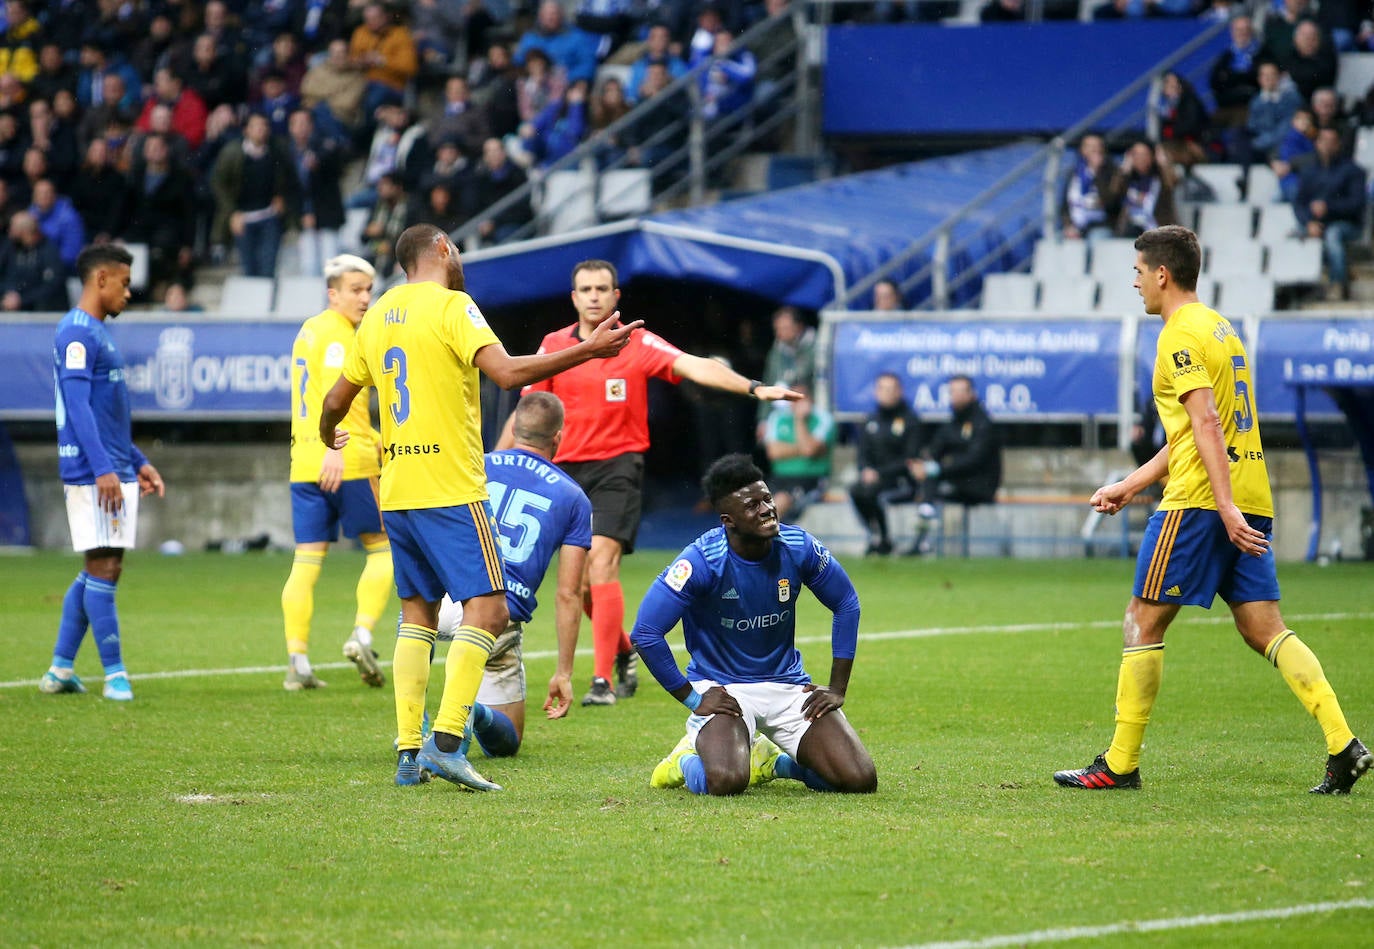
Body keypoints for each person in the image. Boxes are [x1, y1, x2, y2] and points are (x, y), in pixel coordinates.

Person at [319, 224, 642, 790]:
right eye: (457, 247)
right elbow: (508, 373)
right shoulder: (452, 305)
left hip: (397, 487)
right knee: (489, 612)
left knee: (417, 615)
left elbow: (334, 401)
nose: (461, 256)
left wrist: (329, 435)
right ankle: (446, 741)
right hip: (449, 484)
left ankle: (408, 753)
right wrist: (586, 350)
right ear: (442, 250)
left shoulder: (377, 316)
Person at [1054, 224, 1371, 795]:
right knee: (1264, 628)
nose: (1135, 285)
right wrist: (1131, 484)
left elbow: (1206, 424)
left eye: (1136, 274)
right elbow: (1189, 433)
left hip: (1202, 505)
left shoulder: (1178, 336)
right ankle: (1343, 744)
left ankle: (1120, 764)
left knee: (1141, 620)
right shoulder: (1220, 328)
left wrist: (1221, 508)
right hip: (1250, 494)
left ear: (1161, 274)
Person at [496, 259, 801, 707]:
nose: (595, 295)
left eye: (603, 288)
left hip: (618, 468)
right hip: (565, 473)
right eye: (586, 289)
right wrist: (495, 465)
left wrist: (754, 388)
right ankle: (622, 650)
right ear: (574, 297)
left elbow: (694, 365)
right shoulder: (555, 347)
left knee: (601, 563)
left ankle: (600, 682)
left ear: (617, 297)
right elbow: (525, 418)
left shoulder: (636, 344)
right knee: (578, 586)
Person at [632, 454, 878, 796]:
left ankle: (775, 763)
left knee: (858, 780)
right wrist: (692, 698)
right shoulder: (701, 561)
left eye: (767, 498)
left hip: (788, 686)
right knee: (727, 781)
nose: (767, 509)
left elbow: (846, 603)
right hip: (724, 689)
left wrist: (837, 688)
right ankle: (683, 761)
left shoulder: (799, 547)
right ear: (728, 519)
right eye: (752, 505)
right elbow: (645, 633)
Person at [432, 392, 593, 757]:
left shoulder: (476, 465)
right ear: (558, 438)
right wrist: (563, 673)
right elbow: (569, 593)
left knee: (411, 619)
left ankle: (418, 724)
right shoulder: (573, 497)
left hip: (446, 600)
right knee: (506, 744)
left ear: (515, 428)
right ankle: (473, 714)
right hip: (499, 618)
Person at [40, 244, 165, 702]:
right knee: (103, 566)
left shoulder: (96, 333)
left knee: (102, 568)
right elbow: (75, 407)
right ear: (101, 280)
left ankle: (59, 668)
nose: (129, 293)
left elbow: (104, 415)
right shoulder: (77, 334)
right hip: (92, 470)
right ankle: (115, 675)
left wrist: (136, 462)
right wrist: (103, 469)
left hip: (110, 466)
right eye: (125, 283)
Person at [282, 254, 392, 692]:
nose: (365, 298)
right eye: (355, 290)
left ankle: (297, 661)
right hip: (346, 459)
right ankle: (362, 635)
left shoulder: (308, 329)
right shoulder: (340, 336)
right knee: (384, 550)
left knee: (306, 561)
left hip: (303, 463)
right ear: (333, 292)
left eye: (368, 289)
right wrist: (336, 448)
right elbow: (334, 397)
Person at [908, 374, 1003, 556]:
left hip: (979, 485)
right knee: (927, 480)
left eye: (960, 391)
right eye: (952, 391)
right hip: (956, 482)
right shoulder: (952, 422)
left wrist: (937, 469)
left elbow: (974, 460)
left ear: (972, 394)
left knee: (931, 482)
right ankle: (922, 539)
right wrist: (922, 464)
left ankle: (923, 542)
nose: (956, 396)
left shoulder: (983, 423)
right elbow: (936, 449)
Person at [848, 372, 922, 556]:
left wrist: (879, 473)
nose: (887, 393)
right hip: (874, 479)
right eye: (883, 388)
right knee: (856, 490)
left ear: (900, 391)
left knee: (875, 494)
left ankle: (884, 539)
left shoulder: (911, 421)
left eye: (891, 389)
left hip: (901, 481)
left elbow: (910, 459)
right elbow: (862, 453)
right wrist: (865, 469)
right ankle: (876, 534)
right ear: (876, 392)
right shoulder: (870, 421)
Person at [1294, 125, 1367, 301]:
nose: (1327, 145)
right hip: (1316, 224)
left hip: (1347, 224)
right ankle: (1299, 289)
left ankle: (1337, 284)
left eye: (1331, 141)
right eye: (1323, 141)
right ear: (1317, 143)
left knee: (1333, 235)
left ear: (1338, 144)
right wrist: (1308, 222)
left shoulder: (1352, 170)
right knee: (1294, 236)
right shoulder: (1309, 171)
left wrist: (1329, 207)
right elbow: (1299, 203)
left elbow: (1357, 203)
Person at [762, 384, 834, 522]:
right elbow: (773, 452)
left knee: (781, 500)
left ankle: (759, 536)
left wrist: (799, 420)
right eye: (790, 398)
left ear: (809, 400)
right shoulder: (777, 417)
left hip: (810, 478)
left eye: (799, 399)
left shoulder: (823, 418)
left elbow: (809, 451)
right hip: (779, 477)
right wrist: (801, 446)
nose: (794, 403)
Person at [1061, 133, 1119, 242]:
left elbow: (1112, 203)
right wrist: (1068, 226)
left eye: (1097, 146)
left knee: (1095, 241)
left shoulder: (1112, 172)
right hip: (1076, 224)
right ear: (1082, 150)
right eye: (1089, 146)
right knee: (1056, 242)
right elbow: (1064, 205)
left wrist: (1097, 172)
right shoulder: (1074, 174)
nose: (1094, 149)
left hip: (1101, 225)